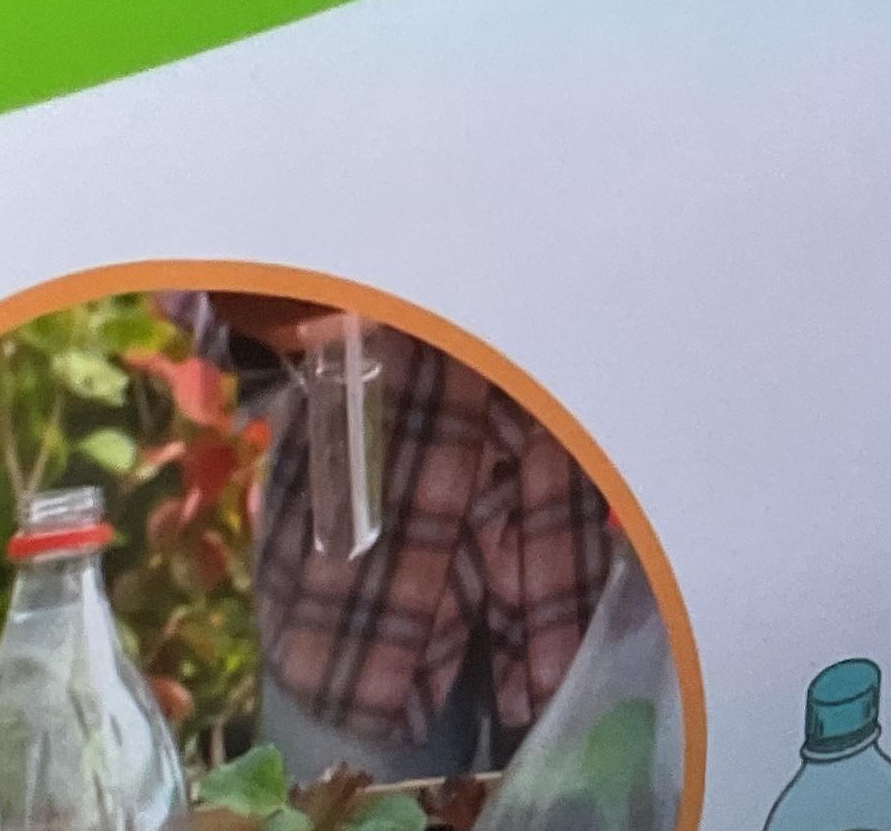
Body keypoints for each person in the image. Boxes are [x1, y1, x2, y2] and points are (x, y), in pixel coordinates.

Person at [197, 293, 617, 790]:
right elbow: (184, 271)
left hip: (596, 589)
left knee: (612, 827)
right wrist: (266, 318)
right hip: (352, 606)